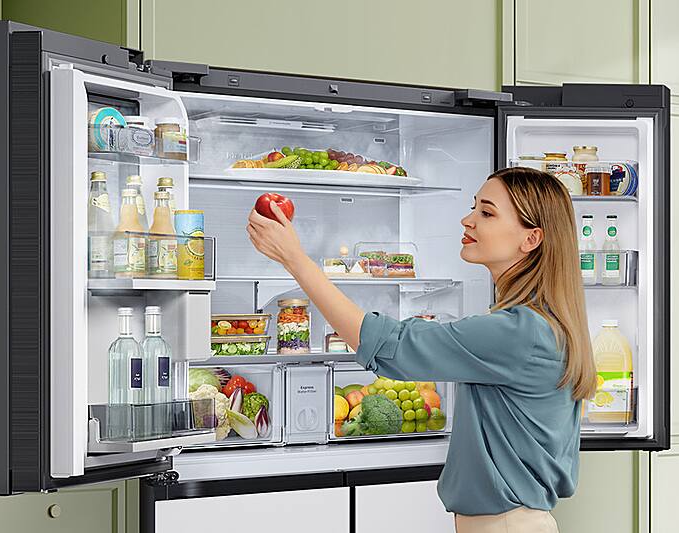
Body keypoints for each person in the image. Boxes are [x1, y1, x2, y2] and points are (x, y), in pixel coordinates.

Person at [247, 167, 595, 533]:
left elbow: (388, 345)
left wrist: (296, 259)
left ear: (531, 238)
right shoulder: (537, 323)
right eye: (473, 207)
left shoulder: (519, 332)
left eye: (487, 213)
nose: (468, 220)